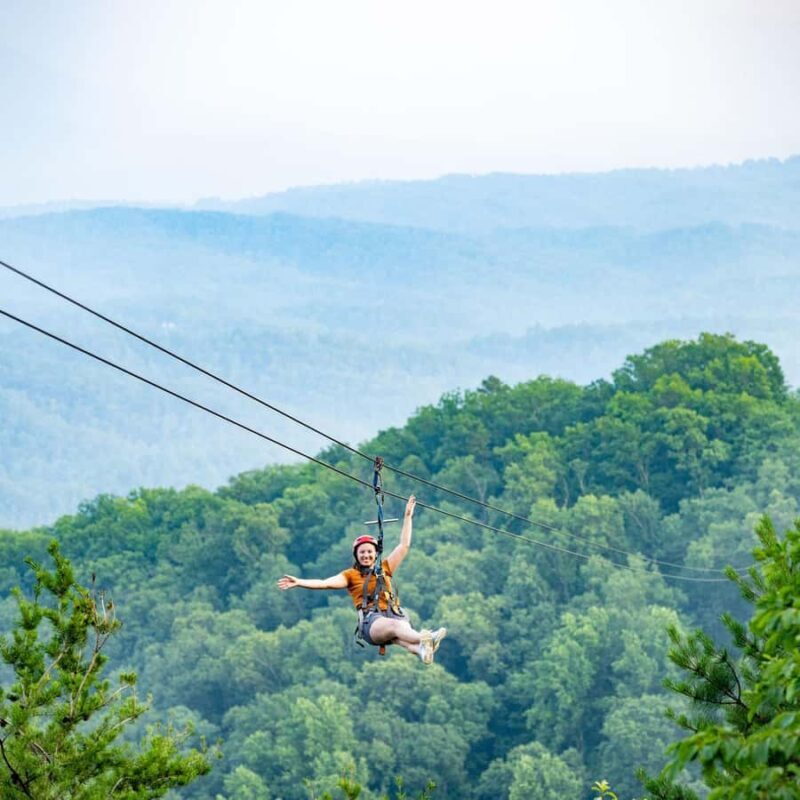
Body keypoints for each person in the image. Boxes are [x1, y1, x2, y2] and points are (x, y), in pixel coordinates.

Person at [277, 495, 446, 664]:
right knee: (396, 628)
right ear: (357, 556)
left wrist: (408, 517)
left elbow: (403, 546)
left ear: (375, 554)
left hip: (393, 613)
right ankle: (426, 638)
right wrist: (300, 582)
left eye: (369, 552)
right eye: (362, 552)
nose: (366, 555)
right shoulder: (350, 575)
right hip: (371, 621)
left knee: (399, 633)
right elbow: (324, 583)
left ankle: (420, 650)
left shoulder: (385, 568)